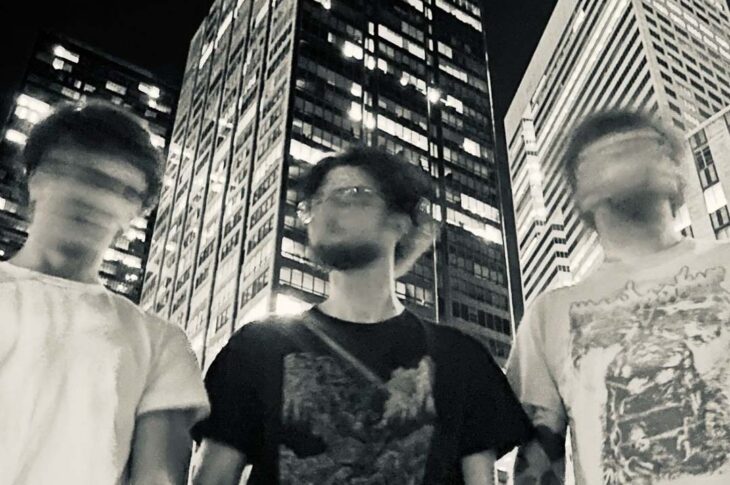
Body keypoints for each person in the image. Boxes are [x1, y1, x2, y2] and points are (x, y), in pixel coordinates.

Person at [192, 146, 532, 485]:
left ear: (400, 222)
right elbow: (213, 478)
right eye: (314, 202)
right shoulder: (256, 347)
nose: (325, 210)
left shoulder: (462, 358)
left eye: (351, 194)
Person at [506, 110, 730, 484]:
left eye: (642, 146)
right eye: (605, 153)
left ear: (675, 171)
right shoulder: (548, 316)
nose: (624, 154)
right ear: (580, 193)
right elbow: (539, 457)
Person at [0, 101, 210, 484]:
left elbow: (158, 478)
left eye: (120, 189)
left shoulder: (160, 341)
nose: (93, 197)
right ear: (33, 180)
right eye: (77, 172)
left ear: (136, 213)